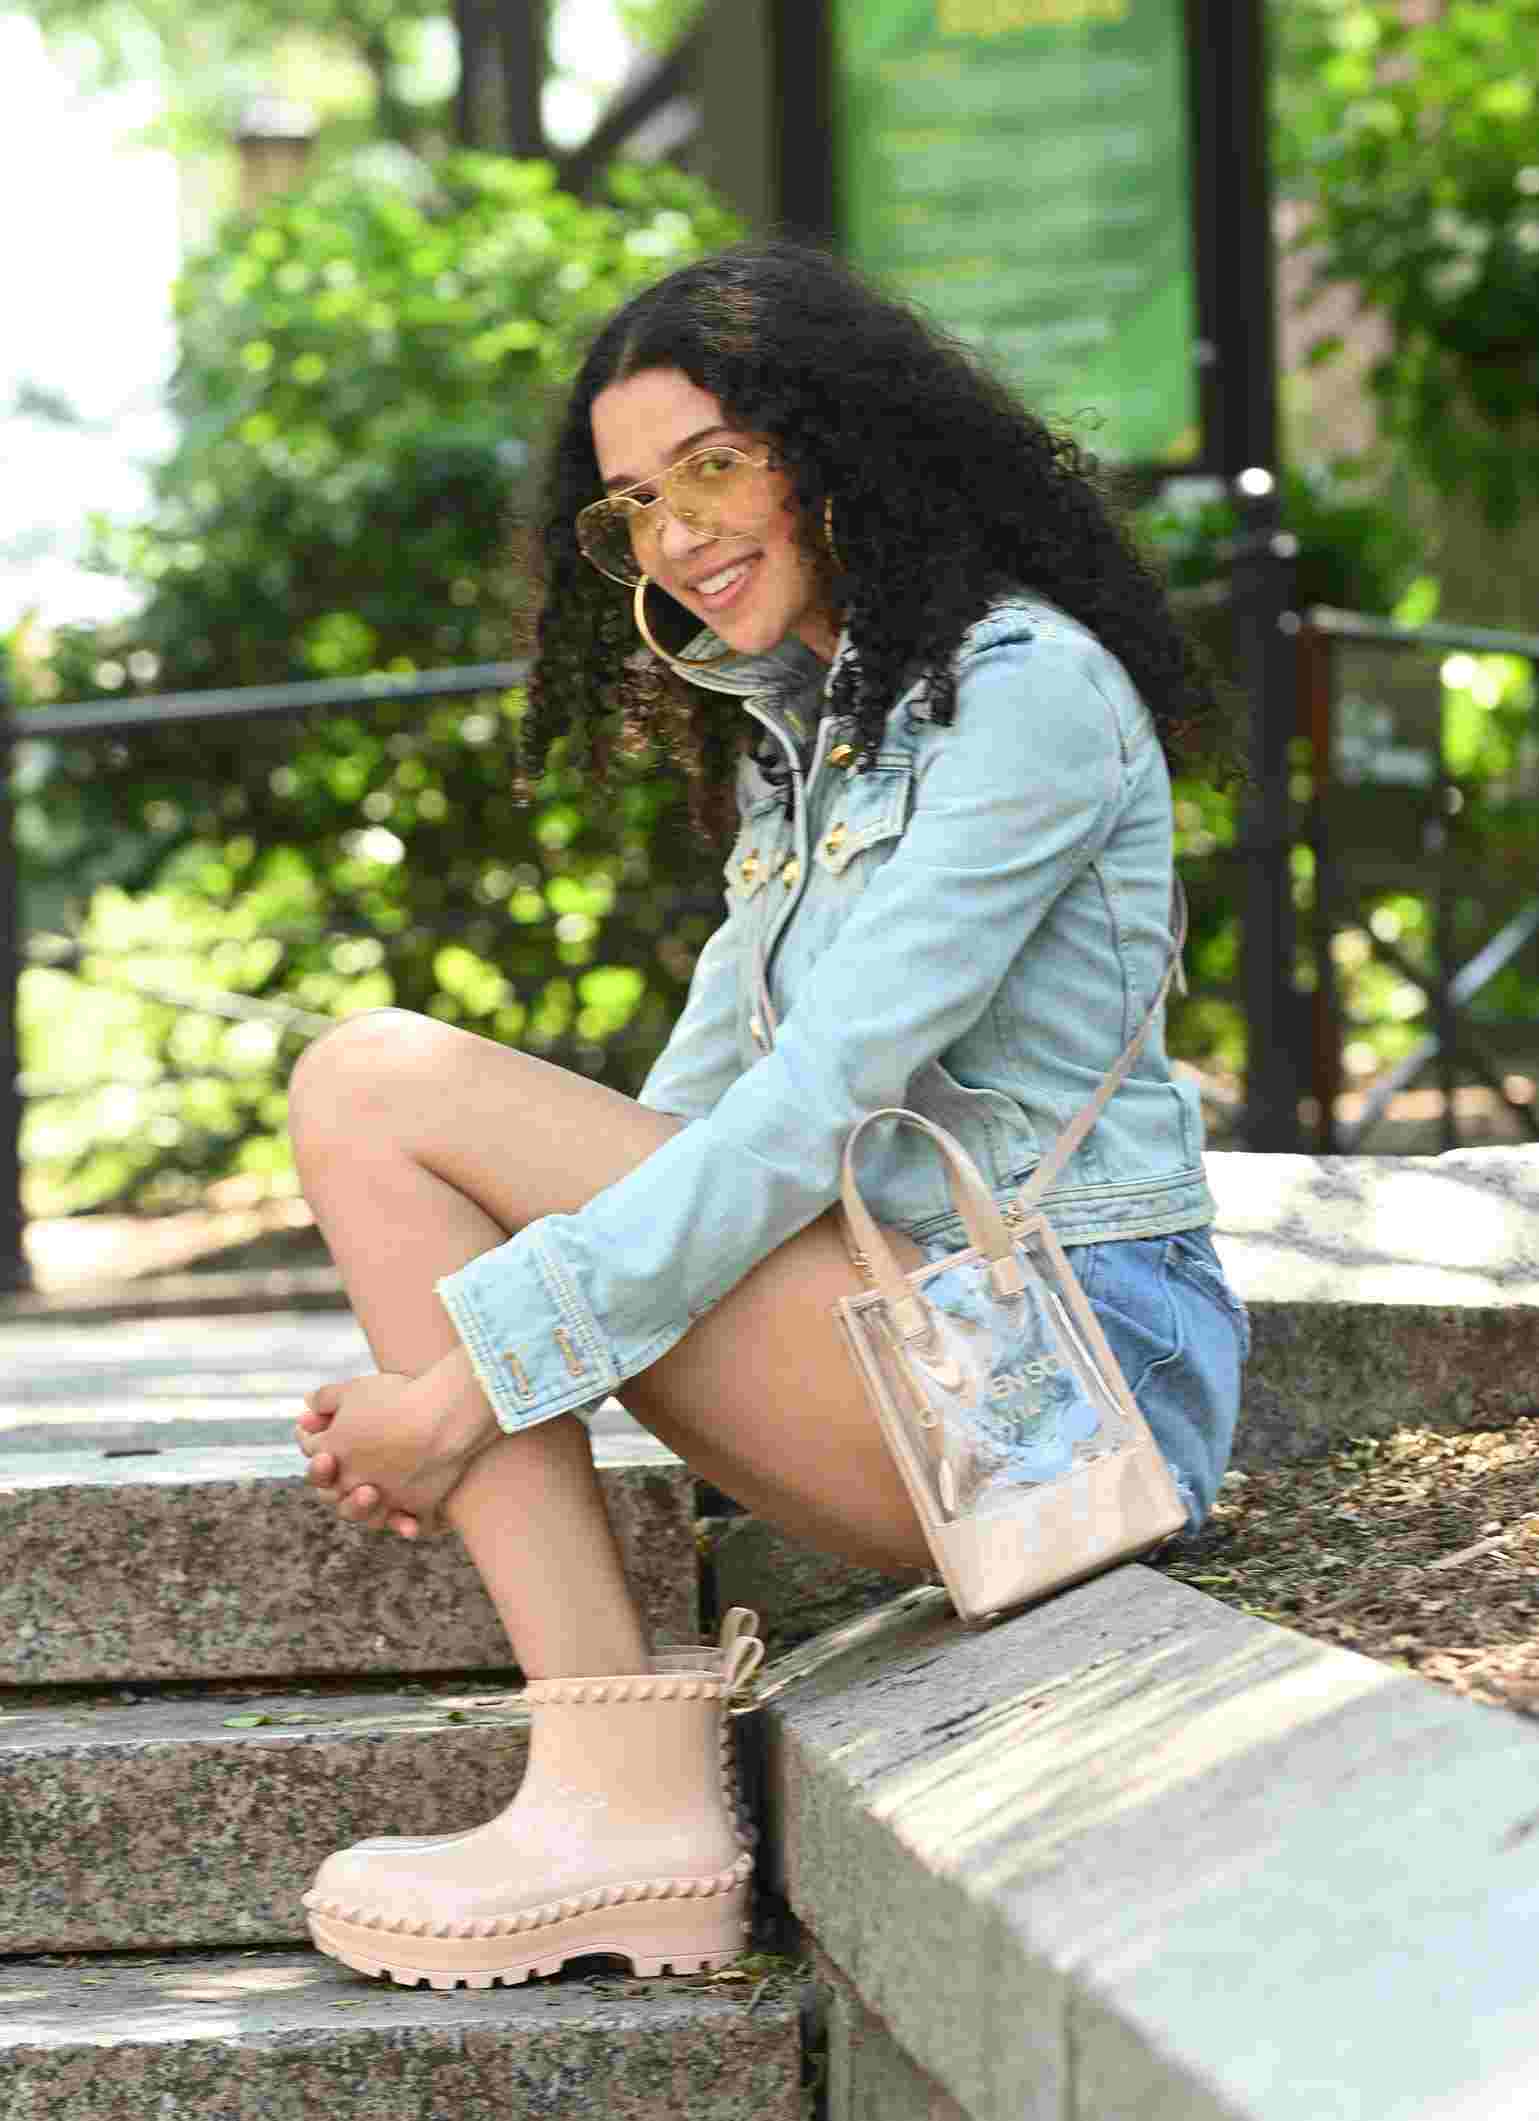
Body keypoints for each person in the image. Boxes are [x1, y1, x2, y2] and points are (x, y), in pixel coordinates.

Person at [288, 238, 1250, 1990]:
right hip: (920, 1349)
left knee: (375, 1079)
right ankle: (611, 1789)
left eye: (713, 466)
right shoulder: (815, 733)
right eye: (631, 506)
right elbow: (690, 1104)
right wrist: (496, 1340)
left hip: (1071, 1389)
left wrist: (469, 1378)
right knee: (381, 1104)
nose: (671, 537)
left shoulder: (1022, 691)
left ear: (838, 442)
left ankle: (623, 1804)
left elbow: (812, 1108)